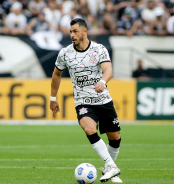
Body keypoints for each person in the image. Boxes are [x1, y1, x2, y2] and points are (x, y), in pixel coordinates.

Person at [50, 18, 122, 183]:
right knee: (89, 129)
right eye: (70, 32)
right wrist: (53, 98)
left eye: (75, 31)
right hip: (83, 101)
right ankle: (112, 167)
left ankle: (109, 169)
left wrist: (102, 82)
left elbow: (108, 69)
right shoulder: (65, 53)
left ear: (85, 31)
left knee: (115, 137)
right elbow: (56, 74)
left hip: (103, 99)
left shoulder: (99, 49)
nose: (72, 35)